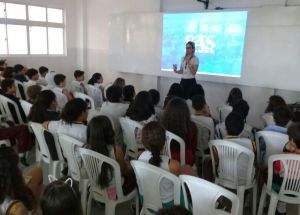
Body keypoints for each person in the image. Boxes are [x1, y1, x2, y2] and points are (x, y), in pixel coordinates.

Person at [138, 122, 196, 208]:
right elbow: (180, 183)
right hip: (168, 206)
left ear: (143, 141)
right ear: (165, 141)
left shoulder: (140, 158)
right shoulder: (173, 165)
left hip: (145, 200)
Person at [86, 115, 136, 196]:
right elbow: (125, 172)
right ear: (109, 132)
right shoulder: (116, 150)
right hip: (115, 193)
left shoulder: (85, 148)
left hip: (95, 189)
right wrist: (133, 165)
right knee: (136, 176)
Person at [0, 146, 43, 215]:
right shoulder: (17, 209)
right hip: (22, 207)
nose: (22, 166)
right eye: (18, 163)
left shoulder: (5, 186)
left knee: (37, 171)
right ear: (12, 172)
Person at [270, 122, 300, 215]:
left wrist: (286, 150)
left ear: (292, 141)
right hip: (298, 190)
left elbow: (275, 171)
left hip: (281, 189)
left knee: (274, 174)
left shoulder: (282, 158)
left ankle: (280, 206)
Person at [162, 97, 197, 166]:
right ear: (186, 112)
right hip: (185, 160)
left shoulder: (163, 125)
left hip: (165, 158)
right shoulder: (192, 127)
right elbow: (193, 149)